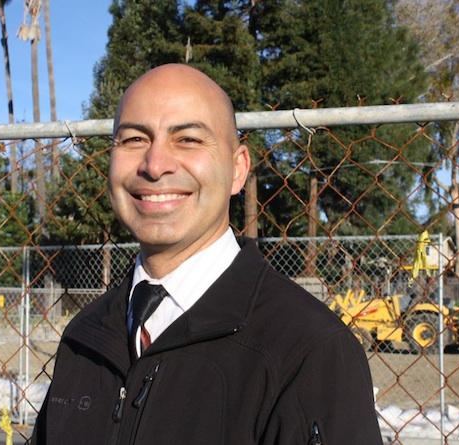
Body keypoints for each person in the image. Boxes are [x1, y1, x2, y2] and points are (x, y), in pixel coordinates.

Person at [31, 63, 383, 445]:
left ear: (237, 170)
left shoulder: (310, 353)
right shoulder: (85, 335)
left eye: (188, 139)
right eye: (134, 139)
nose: (155, 164)